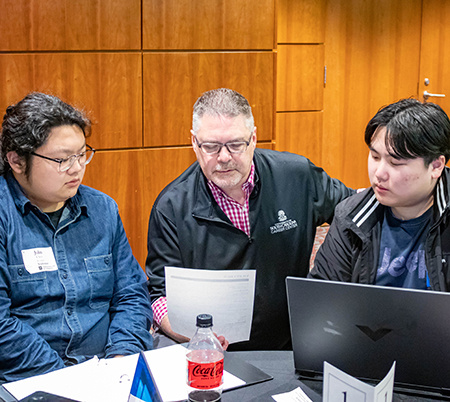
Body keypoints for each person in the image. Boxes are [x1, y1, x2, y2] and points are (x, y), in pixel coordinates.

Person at [146, 88, 354, 351]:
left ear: (253, 139)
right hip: (210, 349)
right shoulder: (171, 207)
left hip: (292, 342)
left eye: (235, 145)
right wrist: (198, 339)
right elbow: (160, 295)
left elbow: (354, 212)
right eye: (211, 146)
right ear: (194, 143)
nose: (223, 157)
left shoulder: (297, 176)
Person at [0, 93, 153, 383]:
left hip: (107, 372)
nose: (76, 168)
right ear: (17, 161)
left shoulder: (102, 209)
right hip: (29, 380)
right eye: (61, 159)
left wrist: (121, 357)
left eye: (81, 154)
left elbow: (131, 294)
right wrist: (68, 379)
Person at [310, 98, 450, 291]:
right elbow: (322, 297)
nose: (379, 173)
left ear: (436, 166)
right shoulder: (351, 216)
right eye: (375, 157)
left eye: (395, 163)